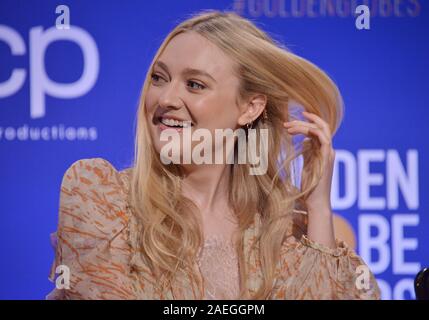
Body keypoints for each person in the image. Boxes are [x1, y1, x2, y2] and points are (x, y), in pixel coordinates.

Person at [47, 9, 380, 300]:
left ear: (251, 107)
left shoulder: (284, 233)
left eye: (195, 84)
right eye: (159, 78)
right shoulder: (103, 199)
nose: (166, 98)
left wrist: (318, 207)